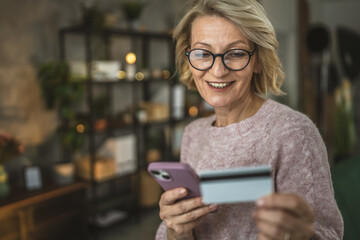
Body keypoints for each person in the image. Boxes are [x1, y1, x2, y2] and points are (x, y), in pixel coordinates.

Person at [155, 0, 344, 239]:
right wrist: (175, 229)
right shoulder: (193, 133)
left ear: (257, 61)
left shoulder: (294, 132)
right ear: (189, 58)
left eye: (235, 53)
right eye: (203, 53)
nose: (218, 71)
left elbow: (328, 234)